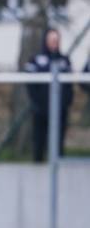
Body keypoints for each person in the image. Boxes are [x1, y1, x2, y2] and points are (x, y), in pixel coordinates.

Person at [24, 28, 73, 162]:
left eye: (57, 40)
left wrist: (65, 104)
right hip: (41, 111)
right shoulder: (35, 59)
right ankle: (38, 170)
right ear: (46, 41)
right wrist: (38, 103)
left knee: (58, 143)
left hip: (60, 111)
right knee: (39, 142)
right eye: (52, 40)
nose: (54, 43)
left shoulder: (65, 60)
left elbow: (69, 87)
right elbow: (29, 84)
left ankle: (59, 171)